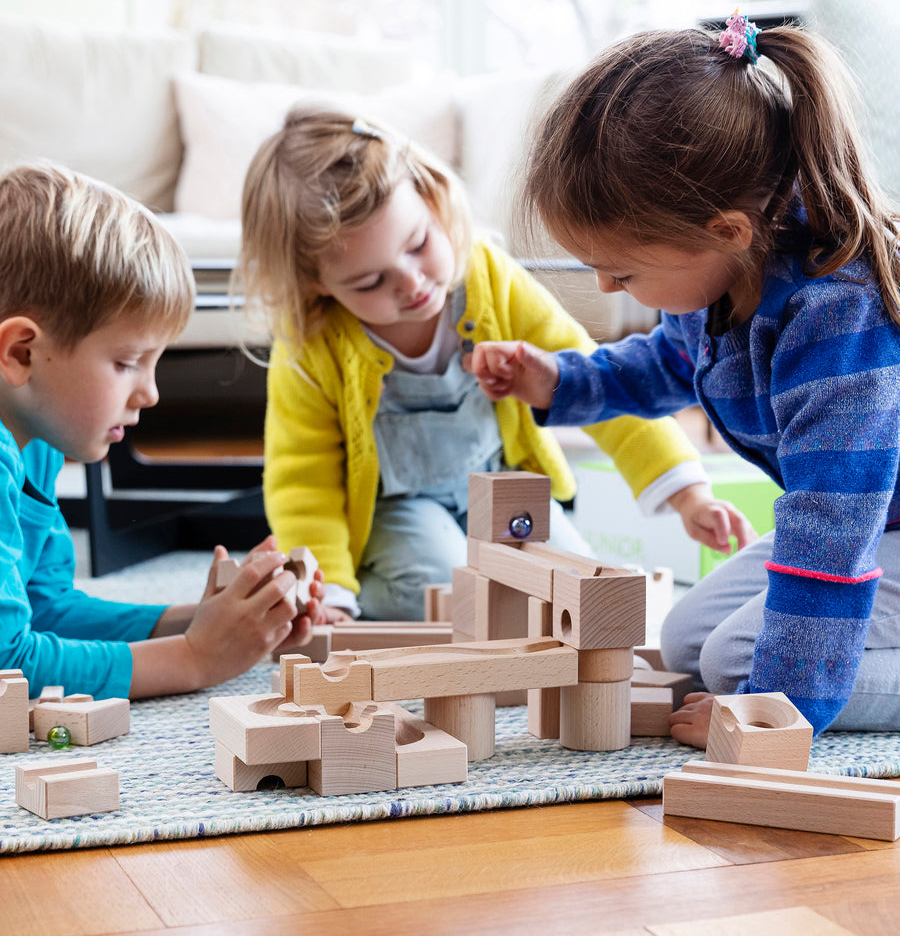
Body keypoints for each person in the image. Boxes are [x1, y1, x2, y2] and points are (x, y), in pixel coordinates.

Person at [468, 13, 900, 746]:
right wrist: (560, 384)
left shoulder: (839, 320)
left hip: (863, 521)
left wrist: (771, 713)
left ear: (728, 230)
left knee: (739, 665)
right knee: (687, 640)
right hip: (876, 522)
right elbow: (671, 367)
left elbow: (830, 534)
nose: (606, 287)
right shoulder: (725, 277)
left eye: (624, 270)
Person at [236, 106, 753, 623]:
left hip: (504, 485)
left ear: (434, 201)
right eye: (370, 282)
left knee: (576, 584)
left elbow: (596, 381)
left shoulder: (487, 277)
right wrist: (331, 592)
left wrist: (686, 492)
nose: (413, 283)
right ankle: (375, 584)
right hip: (399, 511)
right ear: (316, 283)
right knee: (443, 589)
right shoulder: (311, 343)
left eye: (419, 244)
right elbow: (303, 479)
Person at [0, 163, 320, 701]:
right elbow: (8, 664)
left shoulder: (36, 446)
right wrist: (194, 659)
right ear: (21, 353)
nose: (149, 393)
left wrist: (212, 622)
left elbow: (47, 608)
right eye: (128, 362)